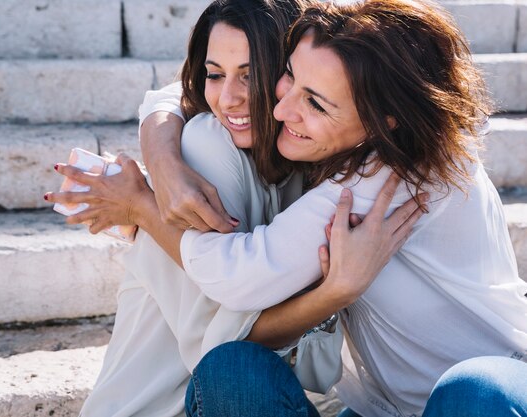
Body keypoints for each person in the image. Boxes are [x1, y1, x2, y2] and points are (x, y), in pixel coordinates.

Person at [51, 0, 527, 416]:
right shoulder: (328, 131)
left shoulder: (393, 176)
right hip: (381, 408)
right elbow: (184, 88)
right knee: (233, 371)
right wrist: (162, 153)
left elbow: (238, 275)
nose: (282, 111)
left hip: (491, 393)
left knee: (473, 392)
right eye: (290, 79)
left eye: (315, 103)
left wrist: (142, 206)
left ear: (385, 118)